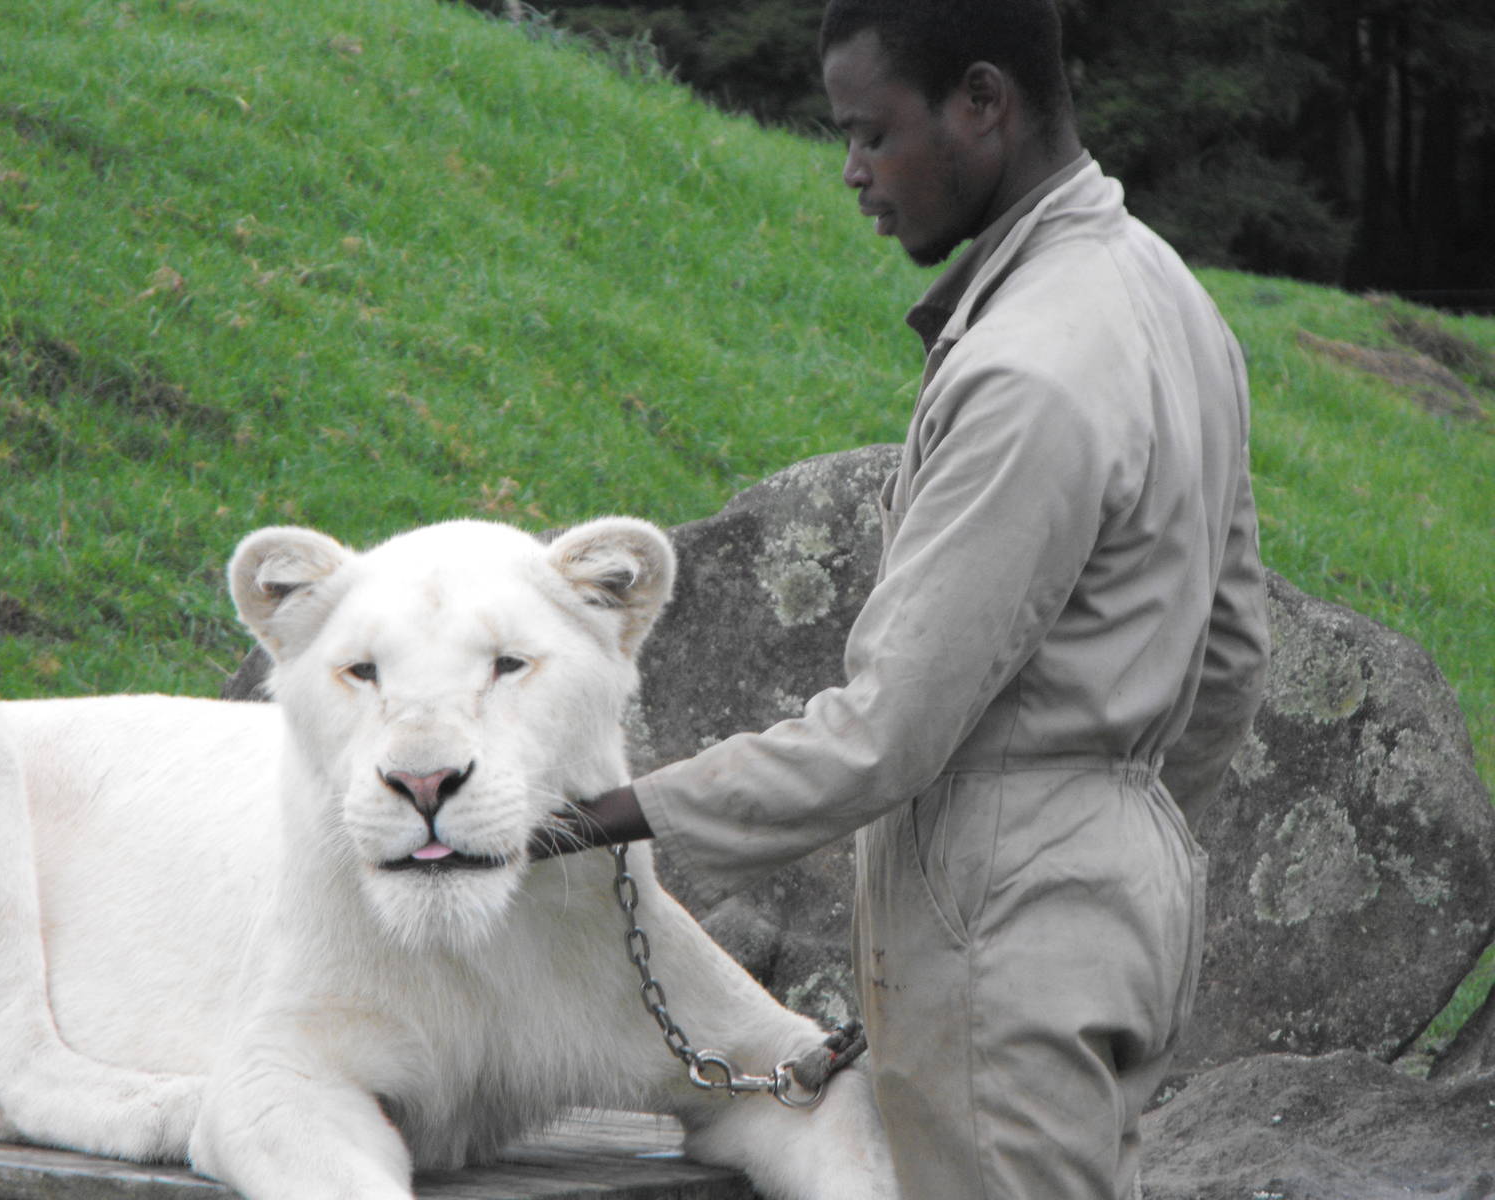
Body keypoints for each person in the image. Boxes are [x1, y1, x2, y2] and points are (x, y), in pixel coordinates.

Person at [538, 0, 1271, 1194]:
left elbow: (884, 736)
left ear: (982, 102)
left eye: (871, 133)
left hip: (1007, 933)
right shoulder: (1168, 294)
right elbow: (1231, 651)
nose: (851, 172)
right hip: (1123, 907)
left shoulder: (1028, 370)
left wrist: (599, 819)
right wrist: (1117, 841)